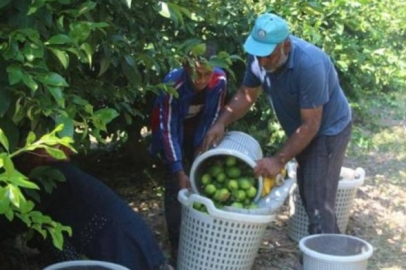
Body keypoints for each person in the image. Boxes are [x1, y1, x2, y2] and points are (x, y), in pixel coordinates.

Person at [202, 13, 352, 236]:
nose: (262, 62)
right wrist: (221, 122)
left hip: (328, 131)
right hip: (303, 129)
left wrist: (279, 159)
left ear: (287, 46)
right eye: (258, 55)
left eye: (269, 56)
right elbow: (247, 94)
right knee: (309, 191)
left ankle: (329, 257)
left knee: (319, 202)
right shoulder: (259, 54)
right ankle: (320, 251)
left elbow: (311, 125)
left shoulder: (309, 64)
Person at [0, 146, 174, 270]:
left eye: (31, 153)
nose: (27, 159)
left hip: (116, 241)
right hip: (127, 236)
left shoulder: (51, 177)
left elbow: (18, 219)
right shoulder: (65, 173)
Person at [150, 44, 227, 263]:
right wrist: (177, 168)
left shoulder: (219, 81)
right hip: (171, 129)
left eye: (207, 74)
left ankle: (200, 235)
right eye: (196, 74)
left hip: (196, 128)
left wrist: (202, 148)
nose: (202, 80)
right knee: (176, 184)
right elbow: (168, 129)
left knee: (201, 177)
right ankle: (177, 245)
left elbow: (214, 117)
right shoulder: (173, 84)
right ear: (186, 67)